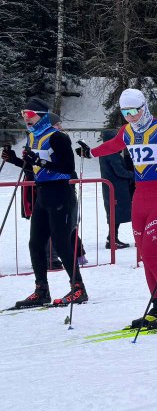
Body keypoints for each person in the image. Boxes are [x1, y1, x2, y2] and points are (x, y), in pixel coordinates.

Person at [77, 89, 157, 328]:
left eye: (134, 111)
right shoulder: (126, 132)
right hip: (141, 197)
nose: (130, 116)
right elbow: (114, 145)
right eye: (125, 112)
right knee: (144, 256)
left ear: (144, 107)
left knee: (151, 254)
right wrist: (90, 152)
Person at [3, 98, 87, 308]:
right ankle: (42, 290)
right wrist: (14, 159)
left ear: (42, 115)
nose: (26, 119)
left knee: (61, 242)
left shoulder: (57, 137)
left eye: (30, 114)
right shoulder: (33, 137)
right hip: (43, 194)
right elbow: (33, 167)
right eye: (23, 115)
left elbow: (67, 167)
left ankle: (78, 288)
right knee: (35, 244)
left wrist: (38, 161)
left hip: (60, 193)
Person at [96, 128, 134, 250]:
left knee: (114, 214)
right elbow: (120, 172)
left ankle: (112, 238)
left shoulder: (105, 153)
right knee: (115, 214)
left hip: (112, 188)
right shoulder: (112, 155)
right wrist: (134, 175)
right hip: (117, 189)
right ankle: (112, 239)